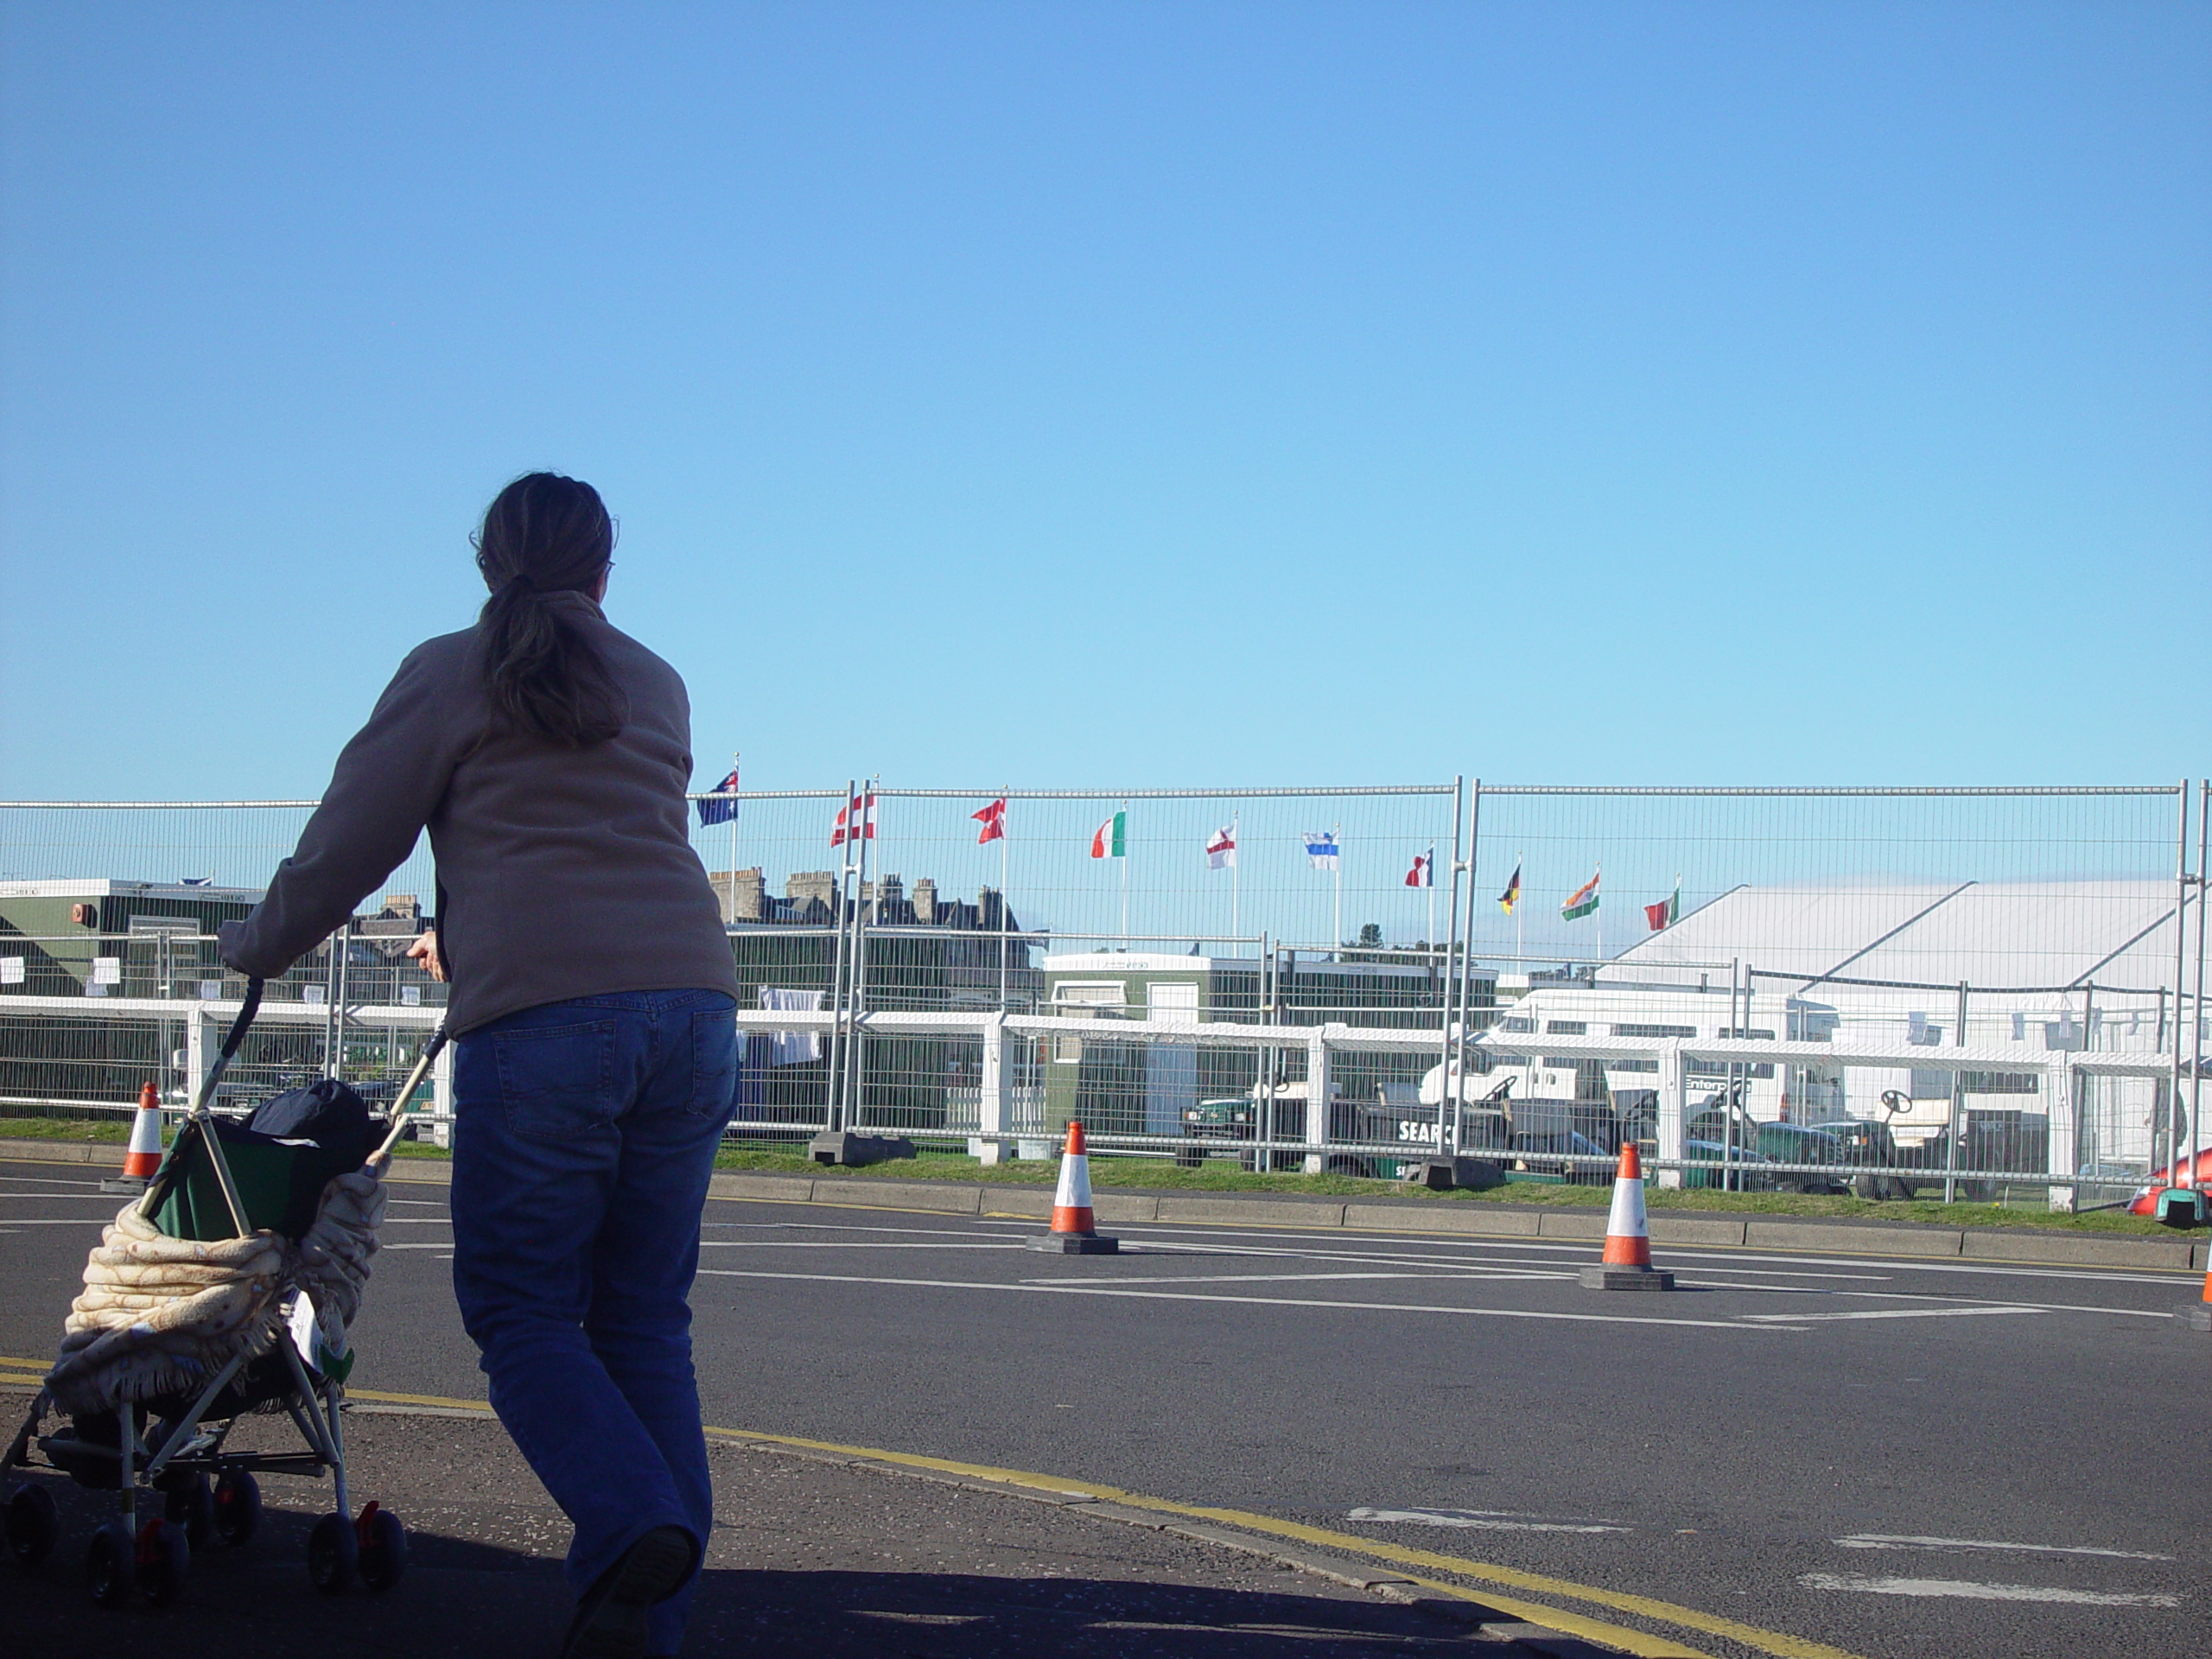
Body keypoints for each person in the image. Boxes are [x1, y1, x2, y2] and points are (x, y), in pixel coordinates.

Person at [219, 473, 740, 1659]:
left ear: (485, 561)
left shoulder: (448, 669)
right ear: (608, 568)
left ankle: (632, 1517)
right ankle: (646, 1621)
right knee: (644, 1322)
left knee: (521, 1314)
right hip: (695, 1006)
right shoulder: (656, 676)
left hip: (548, 1021)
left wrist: (257, 945)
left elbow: (354, 840)